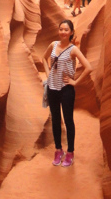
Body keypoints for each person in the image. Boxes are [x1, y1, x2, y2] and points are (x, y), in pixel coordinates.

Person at [42, 20, 93, 167]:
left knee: (68, 121)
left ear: (71, 32)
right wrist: (48, 74)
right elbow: (44, 59)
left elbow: (88, 67)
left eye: (66, 30)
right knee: (56, 120)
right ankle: (58, 150)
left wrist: (75, 82)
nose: (63, 32)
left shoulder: (73, 50)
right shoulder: (53, 45)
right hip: (52, 88)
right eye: (61, 29)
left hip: (66, 90)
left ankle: (70, 152)